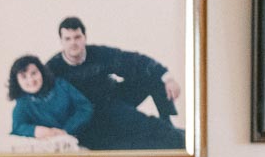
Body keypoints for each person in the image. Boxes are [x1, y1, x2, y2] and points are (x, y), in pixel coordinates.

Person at [45, 17, 186, 150]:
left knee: (153, 75)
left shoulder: (98, 53)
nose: (73, 43)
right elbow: (41, 96)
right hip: (90, 114)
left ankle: (167, 121)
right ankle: (172, 137)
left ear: (84, 38)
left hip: (112, 97)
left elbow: (133, 60)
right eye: (68, 39)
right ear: (61, 41)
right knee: (141, 126)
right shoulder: (53, 67)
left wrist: (168, 78)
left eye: (77, 37)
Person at [6, 54, 93, 145]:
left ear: (41, 72)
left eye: (34, 73)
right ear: (17, 82)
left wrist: (66, 130)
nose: (31, 80)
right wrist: (36, 131)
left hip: (79, 138)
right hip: (48, 146)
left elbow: (85, 108)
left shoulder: (61, 85)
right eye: (24, 77)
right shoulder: (22, 102)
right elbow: (17, 127)